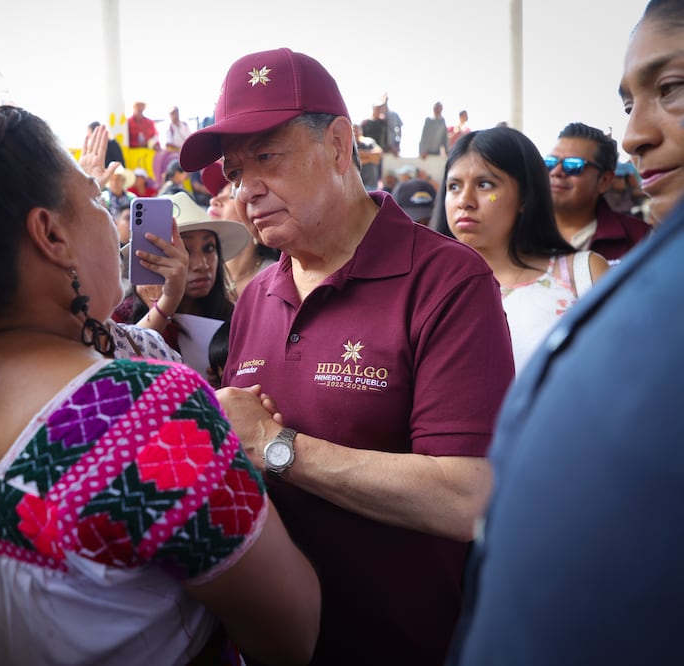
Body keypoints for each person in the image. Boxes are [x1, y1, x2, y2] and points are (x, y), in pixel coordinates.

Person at [0, 104, 321, 665]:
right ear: (50, 234)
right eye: (96, 201)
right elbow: (291, 629)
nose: (111, 221)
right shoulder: (143, 413)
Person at [179, 47, 514, 664]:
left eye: (267, 157)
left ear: (338, 144)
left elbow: (468, 496)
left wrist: (277, 449)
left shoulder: (446, 281)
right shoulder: (254, 297)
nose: (247, 188)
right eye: (233, 171)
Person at [447, 2, 684, 663]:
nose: (636, 133)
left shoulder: (601, 273)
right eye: (454, 185)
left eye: (671, 89)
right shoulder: (428, 296)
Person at [431, 126, 610, 374]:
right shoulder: (424, 290)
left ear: (526, 197)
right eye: (454, 186)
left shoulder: (584, 275)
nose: (465, 200)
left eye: (485, 184)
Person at [115, 191, 248, 354]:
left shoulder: (236, 316)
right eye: (184, 250)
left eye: (209, 248)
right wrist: (157, 310)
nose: (202, 264)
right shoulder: (119, 319)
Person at [548, 121, 651, 262]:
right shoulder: (517, 233)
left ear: (604, 181)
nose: (555, 172)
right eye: (550, 162)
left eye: (573, 165)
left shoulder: (640, 241)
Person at [202, 161, 277, 299]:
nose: (215, 200)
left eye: (231, 195)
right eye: (218, 193)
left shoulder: (276, 281)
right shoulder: (199, 274)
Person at [354, 122, 383, 190]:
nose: (356, 132)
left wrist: (360, 156)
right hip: (357, 185)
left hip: (372, 184)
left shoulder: (369, 141)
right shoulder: (349, 144)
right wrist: (370, 158)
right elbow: (352, 162)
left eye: (358, 130)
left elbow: (379, 155)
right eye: (354, 130)